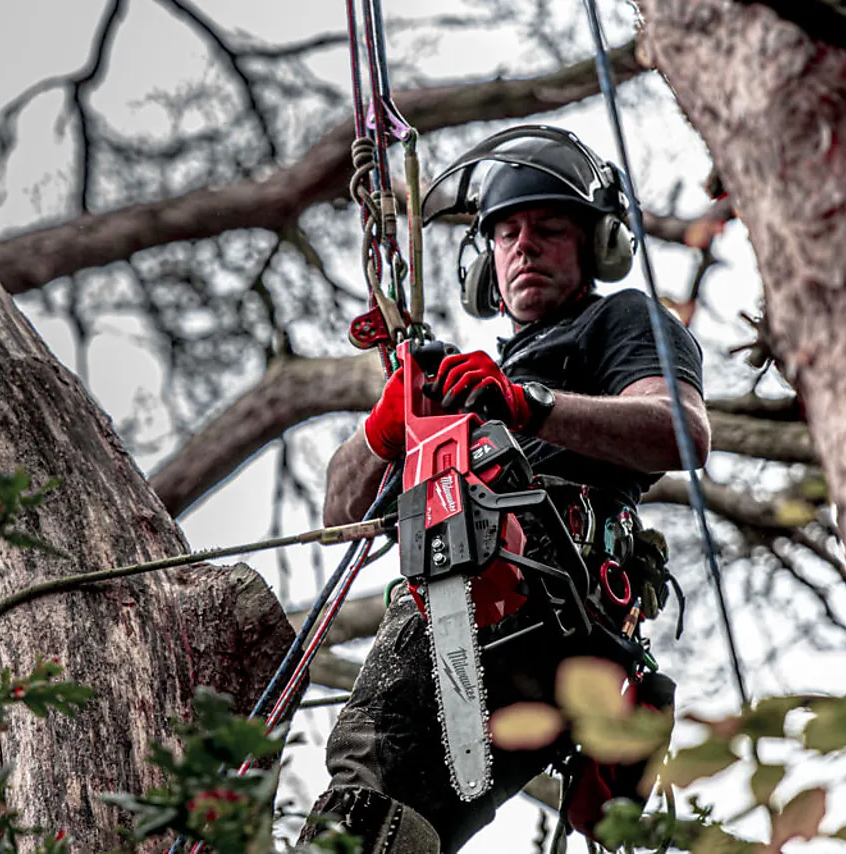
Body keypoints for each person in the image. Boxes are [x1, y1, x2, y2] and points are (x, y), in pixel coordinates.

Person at [298, 126, 711, 854]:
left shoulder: (618, 320)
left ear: (596, 244)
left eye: (550, 229)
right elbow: (340, 514)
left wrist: (529, 404)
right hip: (488, 613)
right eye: (507, 233)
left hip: (546, 599)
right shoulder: (470, 383)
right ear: (484, 257)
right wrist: (385, 431)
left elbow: (680, 429)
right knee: (406, 813)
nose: (525, 247)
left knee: (367, 772)